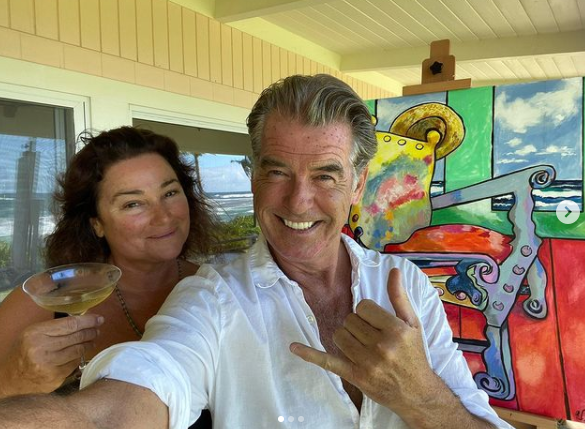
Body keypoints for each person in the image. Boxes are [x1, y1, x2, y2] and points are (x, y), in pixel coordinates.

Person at [0, 75, 512, 429]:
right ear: (253, 179)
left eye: (326, 175)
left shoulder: (405, 286)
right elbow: (145, 384)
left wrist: (419, 394)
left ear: (358, 185)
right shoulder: (211, 295)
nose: (299, 201)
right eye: (277, 171)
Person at [0, 127, 213, 428]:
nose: (164, 216)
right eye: (133, 203)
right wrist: (11, 382)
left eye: (169, 193)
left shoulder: (216, 291)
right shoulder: (46, 300)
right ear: (97, 223)